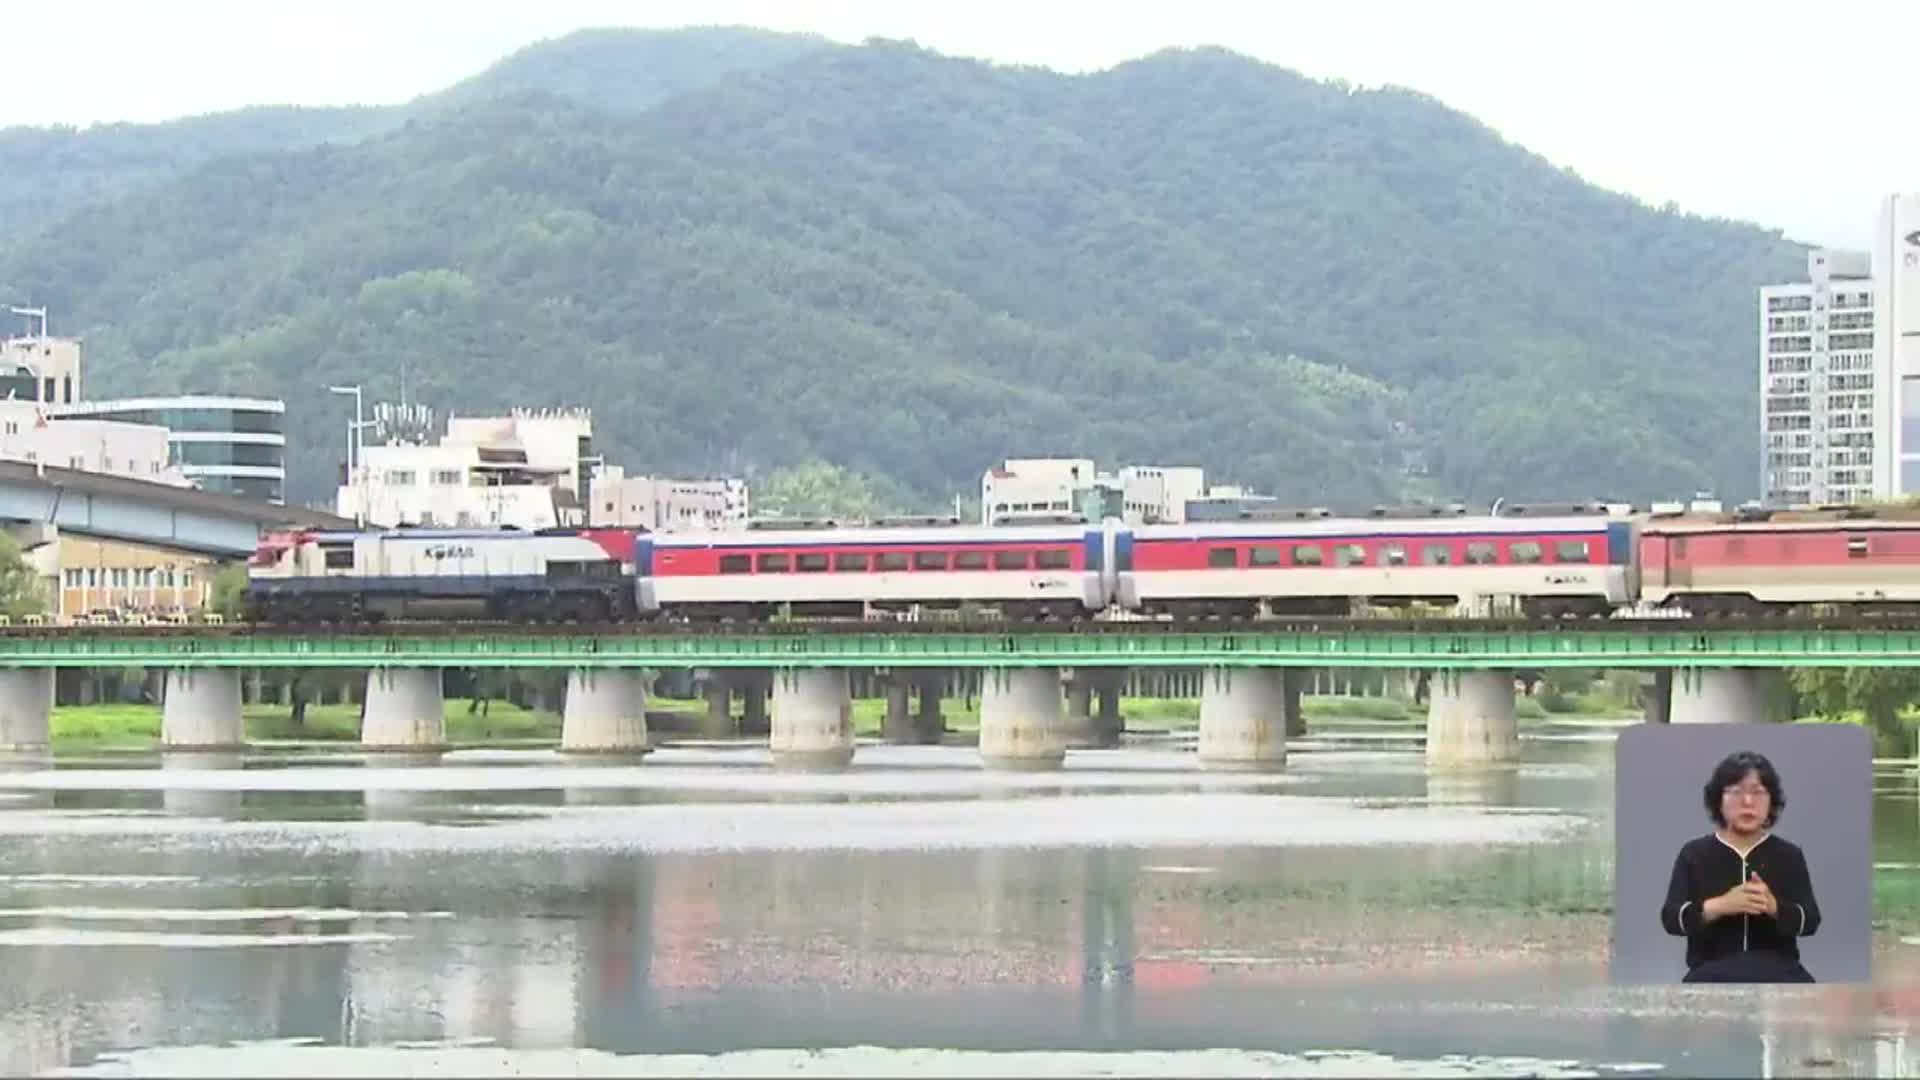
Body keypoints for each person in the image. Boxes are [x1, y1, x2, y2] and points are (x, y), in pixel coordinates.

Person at [1658, 749, 1821, 982]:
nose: (1747, 802)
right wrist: (1720, 906)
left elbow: (1810, 922)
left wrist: (1774, 907)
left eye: (1758, 793)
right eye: (1736, 792)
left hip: (1780, 972)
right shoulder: (1693, 853)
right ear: (1718, 801)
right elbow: (1671, 919)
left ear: (1771, 802)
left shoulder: (1789, 855)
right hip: (1711, 972)